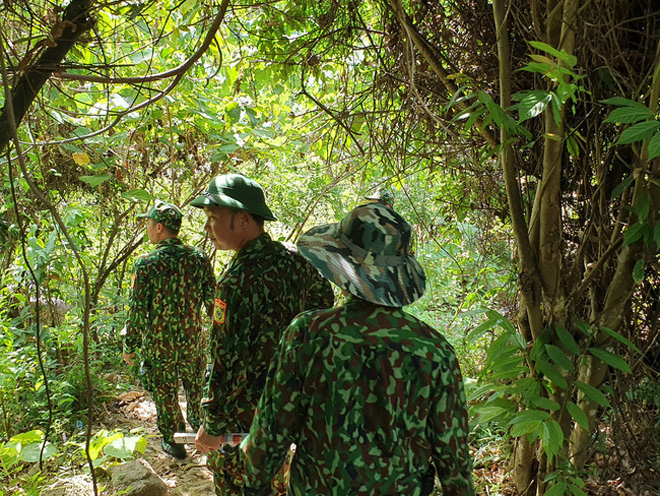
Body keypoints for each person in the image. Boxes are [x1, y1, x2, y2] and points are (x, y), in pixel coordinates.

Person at [241, 202, 475, 495]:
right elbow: (453, 458)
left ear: (341, 266)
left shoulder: (307, 334)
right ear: (399, 276)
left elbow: (271, 431)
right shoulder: (435, 352)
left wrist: (255, 486)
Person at [190, 173, 334, 495]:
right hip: (289, 411)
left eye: (213, 218)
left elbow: (224, 363)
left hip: (242, 421)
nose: (207, 228)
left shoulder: (234, 283)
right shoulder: (299, 264)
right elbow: (323, 310)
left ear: (243, 220)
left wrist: (212, 425)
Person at [123, 199, 215, 459]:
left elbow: (137, 310)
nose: (147, 228)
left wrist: (130, 344)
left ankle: (174, 441)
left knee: (164, 394)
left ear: (160, 227)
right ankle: (201, 432)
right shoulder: (198, 259)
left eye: (149, 223)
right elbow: (213, 304)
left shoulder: (147, 263)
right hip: (191, 341)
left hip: (159, 346)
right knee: (195, 388)